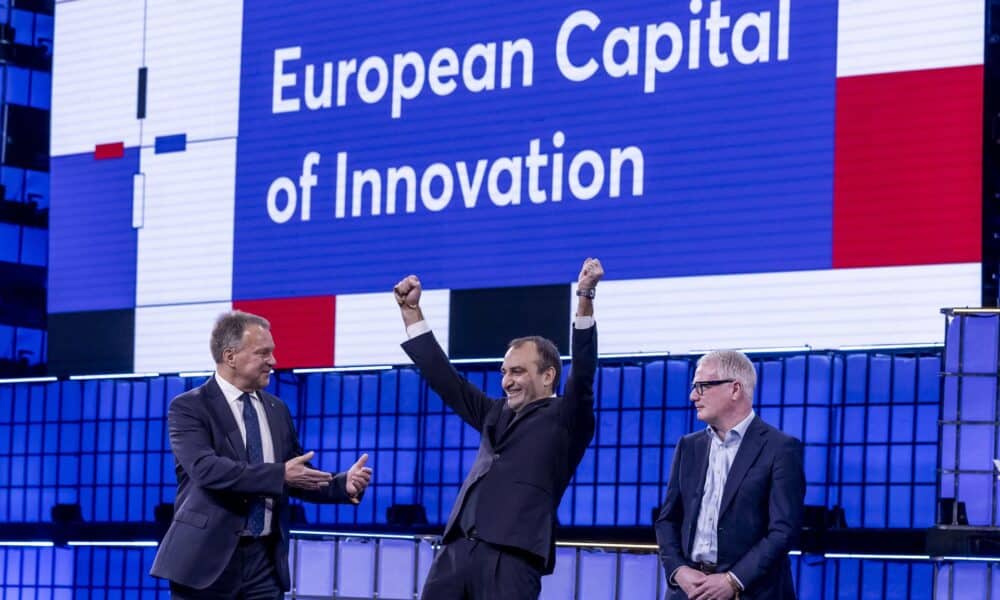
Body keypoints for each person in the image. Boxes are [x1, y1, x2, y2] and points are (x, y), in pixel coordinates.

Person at [393, 257, 604, 600]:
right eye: (504, 372)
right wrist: (412, 314)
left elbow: (583, 370)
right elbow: (446, 381)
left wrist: (585, 295)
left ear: (548, 376)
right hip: (455, 553)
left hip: (512, 560)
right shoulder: (494, 412)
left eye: (518, 372)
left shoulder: (568, 417)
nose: (507, 381)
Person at [150, 310, 373, 599]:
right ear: (230, 356)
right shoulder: (189, 407)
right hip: (205, 561)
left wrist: (341, 484)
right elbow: (206, 469)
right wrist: (280, 474)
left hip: (264, 563)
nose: (273, 361)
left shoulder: (276, 408)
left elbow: (295, 474)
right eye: (263, 353)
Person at [655, 350, 805, 599]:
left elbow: (783, 531)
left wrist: (732, 580)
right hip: (688, 591)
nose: (693, 396)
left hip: (751, 592)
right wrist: (678, 570)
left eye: (702, 386)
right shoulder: (688, 446)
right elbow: (667, 520)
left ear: (735, 389)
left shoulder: (780, 448)